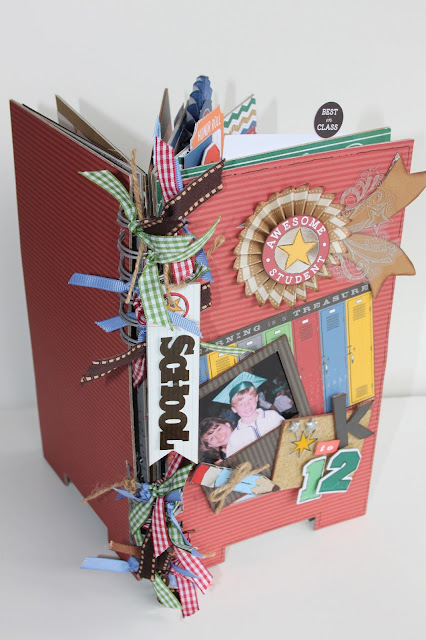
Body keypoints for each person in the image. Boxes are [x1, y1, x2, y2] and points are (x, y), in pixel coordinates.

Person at [212, 372, 283, 458]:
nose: (247, 405)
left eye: (250, 399)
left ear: (256, 398)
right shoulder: (235, 438)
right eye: (241, 404)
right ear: (234, 409)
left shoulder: (272, 416)